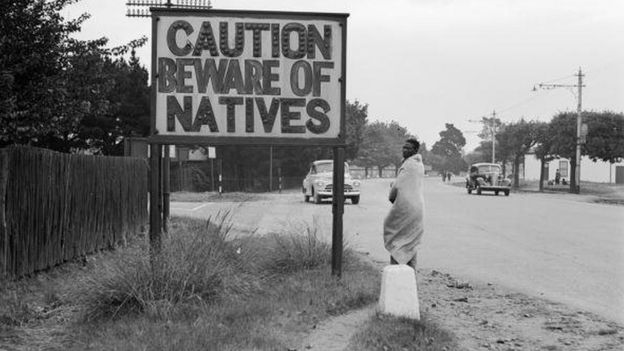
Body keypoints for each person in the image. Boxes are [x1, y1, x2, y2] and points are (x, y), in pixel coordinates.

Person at [384, 138, 425, 270]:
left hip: (406, 208)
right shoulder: (419, 164)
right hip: (417, 208)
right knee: (410, 242)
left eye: (408, 148)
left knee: (398, 240)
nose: (405, 150)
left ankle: (397, 273)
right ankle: (410, 274)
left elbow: (398, 187)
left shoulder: (409, 165)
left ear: (415, 150)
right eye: (404, 147)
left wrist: (392, 193)